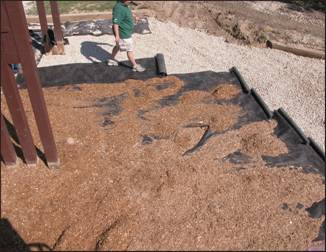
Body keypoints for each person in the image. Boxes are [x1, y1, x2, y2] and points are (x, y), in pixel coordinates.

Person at [108, 0, 145, 72]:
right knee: (129, 50)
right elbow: (116, 23)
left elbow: (128, 11)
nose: (130, 2)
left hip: (125, 32)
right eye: (129, 1)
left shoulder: (124, 4)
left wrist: (134, 16)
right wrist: (117, 36)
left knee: (118, 46)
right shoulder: (118, 9)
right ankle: (135, 65)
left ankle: (111, 60)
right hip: (124, 34)